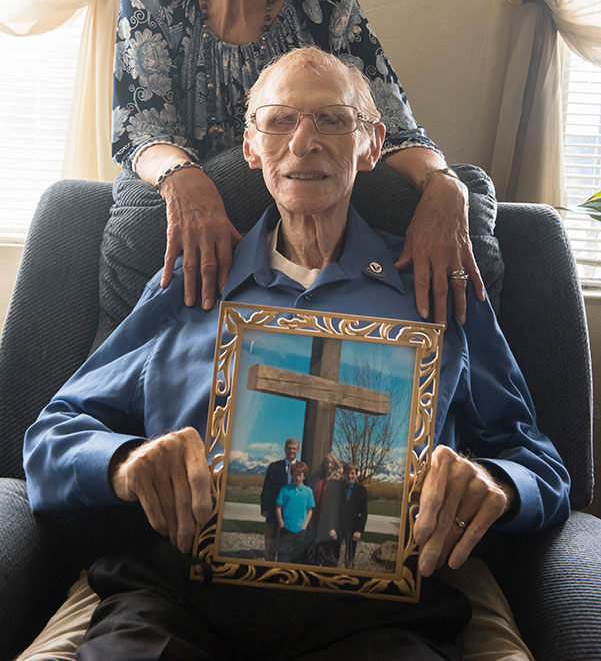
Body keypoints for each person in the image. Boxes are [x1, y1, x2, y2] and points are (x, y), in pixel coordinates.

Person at [22, 48, 569, 661]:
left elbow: (541, 463)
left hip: (376, 610)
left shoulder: (435, 287)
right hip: (179, 590)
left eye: (333, 120)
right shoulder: (191, 284)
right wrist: (125, 462)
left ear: (372, 144)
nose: (303, 142)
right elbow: (49, 439)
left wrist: (495, 482)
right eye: (280, 120)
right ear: (251, 147)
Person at [112, 0, 484, 327]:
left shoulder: (328, 6)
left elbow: (395, 131)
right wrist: (186, 181)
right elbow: (142, 128)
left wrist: (447, 186)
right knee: (139, 220)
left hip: (300, 216)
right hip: (184, 203)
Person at [260, 436, 300, 560]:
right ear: (284, 449)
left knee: (287, 548)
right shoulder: (274, 467)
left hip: (292, 515)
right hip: (273, 511)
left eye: (294, 449)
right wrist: (265, 508)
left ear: (297, 450)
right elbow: (266, 488)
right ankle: (268, 568)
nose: (291, 451)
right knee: (270, 545)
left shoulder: (301, 468)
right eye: (289, 448)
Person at [275, 461, 315, 563]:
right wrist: (280, 522)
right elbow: (278, 507)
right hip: (286, 528)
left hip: (300, 530)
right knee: (283, 558)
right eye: (295, 475)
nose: (297, 478)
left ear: (304, 477)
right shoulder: (285, 489)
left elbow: (310, 510)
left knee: (298, 558)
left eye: (300, 475)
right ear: (292, 475)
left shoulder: (308, 491)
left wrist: (305, 525)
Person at [306, 452, 342, 566]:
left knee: (326, 553)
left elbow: (338, 506)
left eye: (332, 462)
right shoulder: (316, 477)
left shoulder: (339, 481)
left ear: (336, 464)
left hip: (328, 521)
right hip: (313, 517)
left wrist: (334, 526)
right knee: (311, 549)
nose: (329, 465)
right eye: (327, 462)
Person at [335, 462, 369, 569]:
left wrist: (359, 530)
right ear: (344, 474)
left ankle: (349, 572)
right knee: (335, 551)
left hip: (353, 527)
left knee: (350, 554)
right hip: (338, 526)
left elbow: (363, 512)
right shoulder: (339, 488)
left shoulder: (361, 490)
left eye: (352, 473)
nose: (350, 476)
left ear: (356, 474)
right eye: (347, 473)